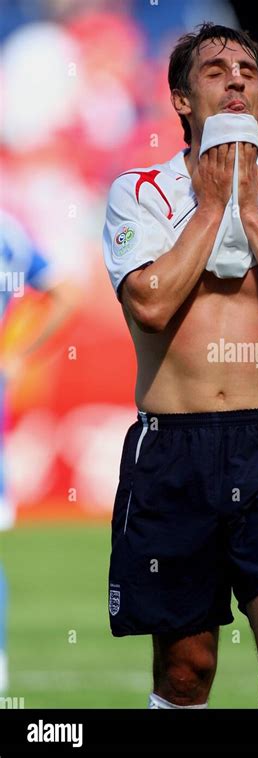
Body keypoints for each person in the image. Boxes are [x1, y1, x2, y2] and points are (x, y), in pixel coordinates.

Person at [102, 22, 258, 710]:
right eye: (214, 70)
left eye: (247, 71)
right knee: (186, 671)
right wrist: (213, 206)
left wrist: (248, 209)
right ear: (182, 100)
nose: (236, 78)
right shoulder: (139, 193)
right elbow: (150, 305)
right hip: (172, 451)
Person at [0, 208, 77, 693]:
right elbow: (64, 293)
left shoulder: (8, 231)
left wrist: (18, 355)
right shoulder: (8, 229)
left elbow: (66, 294)